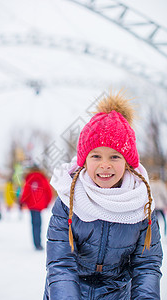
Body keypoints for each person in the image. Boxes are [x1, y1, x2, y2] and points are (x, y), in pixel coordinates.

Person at [43, 91, 163, 299]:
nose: (105, 165)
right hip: (71, 292)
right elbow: (61, 265)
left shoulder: (140, 203)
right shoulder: (68, 200)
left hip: (116, 294)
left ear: (128, 163)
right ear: (84, 160)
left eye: (115, 156)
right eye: (96, 156)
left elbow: (146, 265)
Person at [20, 165, 53, 250]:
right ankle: (38, 243)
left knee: (34, 224)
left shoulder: (29, 178)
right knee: (39, 223)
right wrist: (47, 202)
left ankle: (36, 243)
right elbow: (48, 191)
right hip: (40, 205)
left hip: (31, 205)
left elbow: (26, 191)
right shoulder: (43, 178)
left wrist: (23, 201)